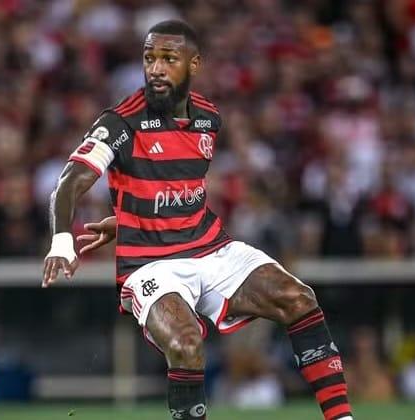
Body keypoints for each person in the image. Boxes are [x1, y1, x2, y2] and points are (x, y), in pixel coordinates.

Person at [43, 20, 352, 420]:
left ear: (194, 64)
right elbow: (69, 181)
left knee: (298, 298)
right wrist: (61, 242)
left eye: (168, 59)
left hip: (210, 248)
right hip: (151, 266)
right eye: (149, 57)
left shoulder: (208, 118)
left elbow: (176, 190)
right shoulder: (121, 122)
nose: (155, 68)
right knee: (187, 344)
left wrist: (127, 219)